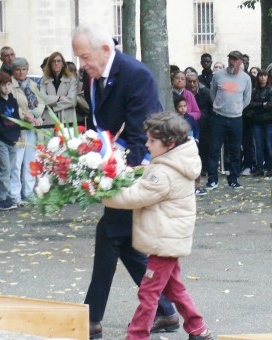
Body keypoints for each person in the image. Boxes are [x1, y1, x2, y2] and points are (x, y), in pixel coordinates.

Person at [71, 23, 180, 338]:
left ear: (105, 50)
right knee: (126, 242)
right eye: (79, 58)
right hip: (115, 168)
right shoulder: (91, 75)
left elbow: (141, 134)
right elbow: (99, 123)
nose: (82, 64)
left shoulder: (137, 75)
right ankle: (166, 309)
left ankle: (91, 319)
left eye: (85, 57)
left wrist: (113, 173)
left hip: (139, 169)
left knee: (109, 233)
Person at [101, 112, 213, 340]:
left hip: (165, 240)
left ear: (169, 144)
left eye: (152, 141)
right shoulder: (174, 161)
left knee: (149, 291)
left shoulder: (164, 172)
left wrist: (102, 194)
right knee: (173, 288)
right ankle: (198, 328)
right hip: (169, 237)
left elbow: (136, 196)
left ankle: (137, 335)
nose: (146, 144)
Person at [206, 50, 252, 190]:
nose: (232, 62)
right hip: (218, 118)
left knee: (235, 150)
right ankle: (212, 179)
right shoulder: (219, 75)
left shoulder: (245, 78)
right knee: (214, 149)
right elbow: (212, 92)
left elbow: (247, 98)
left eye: (235, 59)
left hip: (236, 119)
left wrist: (236, 109)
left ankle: (233, 179)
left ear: (240, 62)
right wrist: (219, 107)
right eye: (230, 58)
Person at [10, 58, 45, 205]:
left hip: (33, 126)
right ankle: (15, 194)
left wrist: (35, 114)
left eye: (24, 69)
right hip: (19, 128)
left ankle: (29, 192)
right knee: (16, 163)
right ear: (14, 71)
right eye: (18, 69)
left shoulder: (32, 84)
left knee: (30, 161)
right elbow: (11, 104)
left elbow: (41, 102)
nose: (21, 72)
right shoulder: (10, 85)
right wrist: (26, 115)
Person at [0, 72, 20, 211]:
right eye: (3, 85)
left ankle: (8, 195)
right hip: (1, 139)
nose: (6, 88)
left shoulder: (13, 100)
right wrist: (5, 136)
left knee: (11, 168)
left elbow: (16, 118)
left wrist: (16, 135)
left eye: (8, 85)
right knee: (4, 169)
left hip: (12, 138)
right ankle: (2, 198)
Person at [247, 70, 272, 176]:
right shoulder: (254, 91)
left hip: (269, 121)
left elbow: (270, 105)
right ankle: (259, 168)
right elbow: (250, 104)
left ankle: (270, 168)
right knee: (258, 145)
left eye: (265, 76)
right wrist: (262, 105)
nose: (263, 78)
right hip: (257, 121)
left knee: (269, 144)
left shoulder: (271, 90)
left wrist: (258, 106)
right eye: (261, 76)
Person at [39, 52, 78, 125]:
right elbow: (42, 99)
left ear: (63, 64)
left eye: (58, 61)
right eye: (53, 61)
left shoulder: (72, 80)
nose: (56, 63)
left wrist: (53, 107)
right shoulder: (44, 81)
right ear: (50, 64)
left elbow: (72, 101)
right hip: (49, 120)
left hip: (67, 119)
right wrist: (58, 98)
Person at [186, 71, 213, 176]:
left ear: (198, 81)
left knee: (204, 147)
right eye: (189, 82)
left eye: (194, 81)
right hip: (188, 125)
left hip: (204, 124)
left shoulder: (205, 92)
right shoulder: (185, 93)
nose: (192, 84)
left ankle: (203, 168)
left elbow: (211, 108)